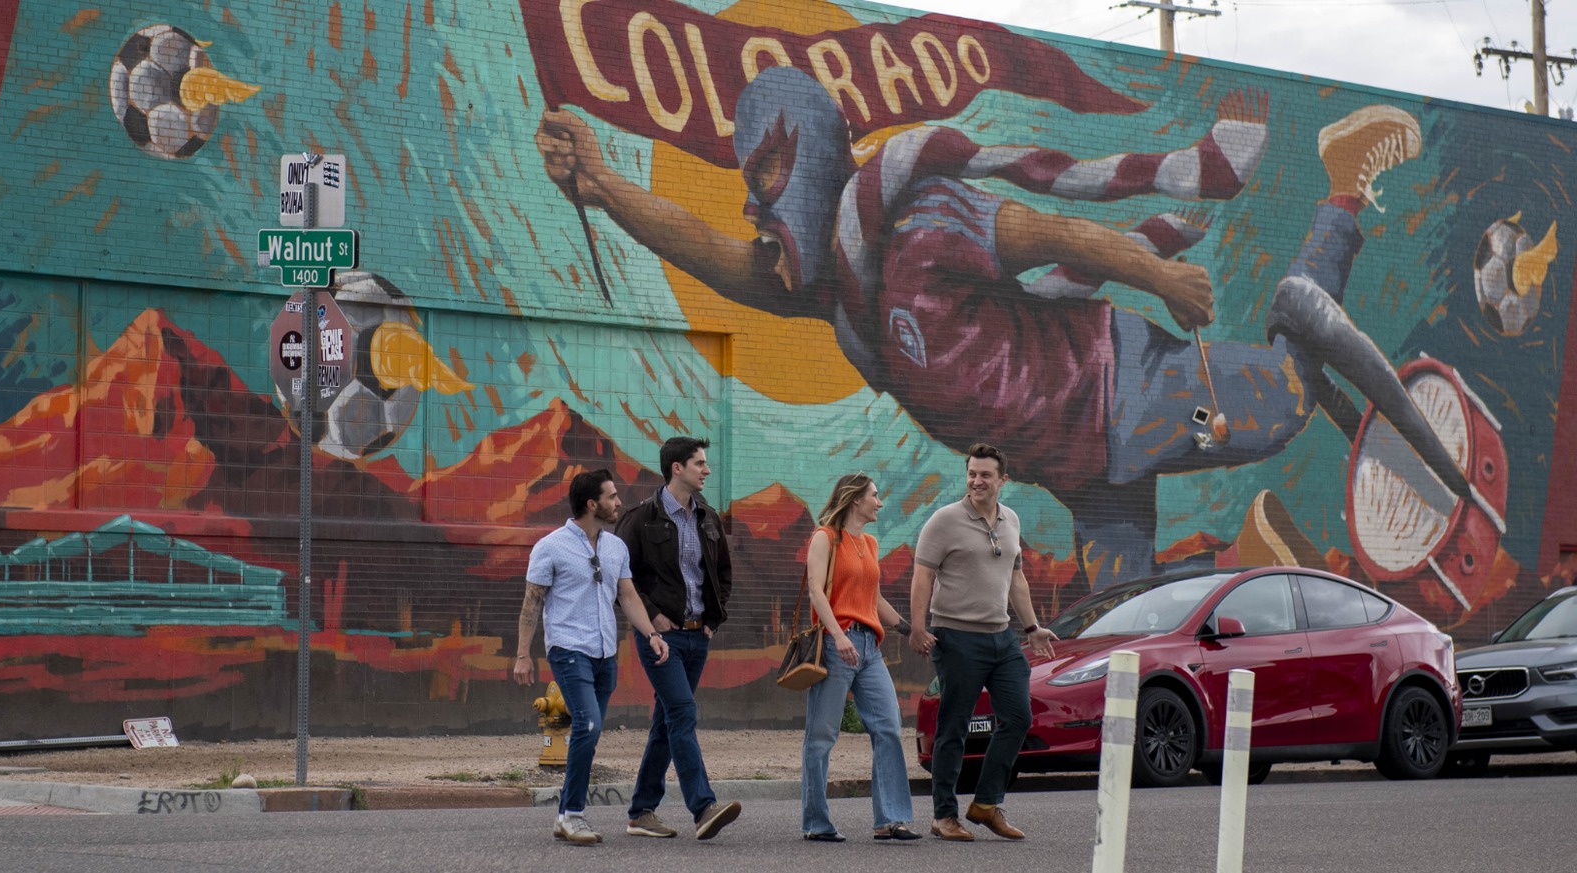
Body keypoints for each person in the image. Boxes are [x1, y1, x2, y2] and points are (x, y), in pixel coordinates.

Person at [535, 66, 1471, 590]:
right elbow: (713, 254)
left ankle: (1338, 200)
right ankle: (1262, 564)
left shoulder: (919, 224)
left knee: (1290, 401)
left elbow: (1045, 228)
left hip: (1128, 393)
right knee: (1122, 615)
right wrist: (604, 185)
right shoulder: (841, 293)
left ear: (812, 153)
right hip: (1081, 465)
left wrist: (1157, 274)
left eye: (769, 170)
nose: (755, 201)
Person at [908, 444, 1058, 841]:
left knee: (1019, 718)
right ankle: (944, 816)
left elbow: (1016, 578)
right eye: (972, 473)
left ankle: (987, 804)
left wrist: (1031, 628)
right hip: (957, 638)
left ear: (1002, 480)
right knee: (953, 728)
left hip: (1002, 639)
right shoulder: (944, 521)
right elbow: (922, 575)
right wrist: (919, 628)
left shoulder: (1011, 520)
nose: (976, 481)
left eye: (985, 475)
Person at [514, 468, 670, 845]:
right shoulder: (550, 546)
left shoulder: (615, 547)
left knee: (590, 731)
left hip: (605, 653)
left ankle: (564, 815)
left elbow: (629, 597)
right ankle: (572, 814)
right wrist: (522, 654)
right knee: (586, 726)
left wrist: (651, 634)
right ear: (591, 503)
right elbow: (531, 602)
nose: (619, 502)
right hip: (568, 650)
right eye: (612, 496)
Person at [614, 436, 742, 840]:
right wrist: (652, 618)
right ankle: (703, 806)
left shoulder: (708, 517)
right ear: (677, 469)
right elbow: (623, 582)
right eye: (700, 464)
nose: (706, 470)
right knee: (683, 713)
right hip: (660, 639)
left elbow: (722, 574)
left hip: (696, 637)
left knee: (667, 723)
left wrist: (712, 621)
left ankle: (640, 811)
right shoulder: (640, 519)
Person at [798, 473, 920, 842]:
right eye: (874, 495)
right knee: (821, 735)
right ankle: (816, 824)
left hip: (869, 647)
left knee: (888, 727)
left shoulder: (869, 542)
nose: (879, 502)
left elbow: (875, 600)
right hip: (838, 645)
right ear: (855, 500)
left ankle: (890, 819)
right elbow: (817, 593)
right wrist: (837, 635)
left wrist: (909, 630)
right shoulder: (825, 538)